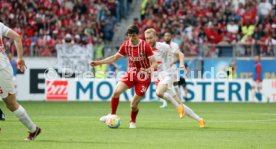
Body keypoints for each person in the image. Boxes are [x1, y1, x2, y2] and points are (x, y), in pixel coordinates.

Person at [90, 25, 157, 128]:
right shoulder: (126, 45)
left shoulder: (145, 46)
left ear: (138, 35)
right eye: (129, 36)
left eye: (133, 36)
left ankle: (132, 122)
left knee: (133, 104)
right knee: (116, 92)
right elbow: (114, 58)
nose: (131, 38)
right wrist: (99, 62)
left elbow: (154, 63)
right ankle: (112, 115)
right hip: (131, 73)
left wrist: (148, 70)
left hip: (144, 77)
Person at [145, 28, 205, 128]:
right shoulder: (145, 48)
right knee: (177, 101)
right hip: (157, 77)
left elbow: (180, 54)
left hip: (167, 74)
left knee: (159, 93)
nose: (148, 41)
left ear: (155, 37)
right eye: (146, 38)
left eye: (150, 38)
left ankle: (178, 108)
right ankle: (200, 119)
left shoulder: (163, 46)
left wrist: (181, 65)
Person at [0, 22, 41, 140]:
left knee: (11, 104)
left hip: (2, 70)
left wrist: (20, 58)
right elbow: (17, 37)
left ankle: (34, 129)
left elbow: (17, 37)